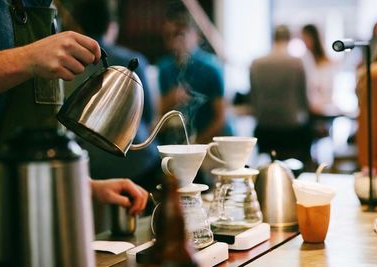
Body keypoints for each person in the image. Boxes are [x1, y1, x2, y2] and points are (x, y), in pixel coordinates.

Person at [0, 0, 148, 218]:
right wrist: (28, 58)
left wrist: (86, 187)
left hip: (31, 215)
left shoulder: (44, 11)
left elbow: (34, 128)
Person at [70, 0, 161, 194]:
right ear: (112, 26)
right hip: (137, 164)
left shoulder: (67, 63)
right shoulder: (134, 61)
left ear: (77, 25)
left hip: (88, 170)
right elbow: (149, 117)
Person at [157, 2, 232, 145]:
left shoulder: (211, 68)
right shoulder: (165, 67)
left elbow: (220, 118)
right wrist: (171, 98)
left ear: (196, 35)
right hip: (178, 142)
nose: (175, 41)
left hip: (209, 142)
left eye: (180, 34)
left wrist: (196, 145)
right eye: (170, 35)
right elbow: (162, 115)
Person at [250, 25, 312, 164]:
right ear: (289, 38)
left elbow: (253, 98)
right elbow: (304, 98)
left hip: (265, 128)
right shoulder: (296, 62)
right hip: (291, 127)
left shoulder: (256, 63)